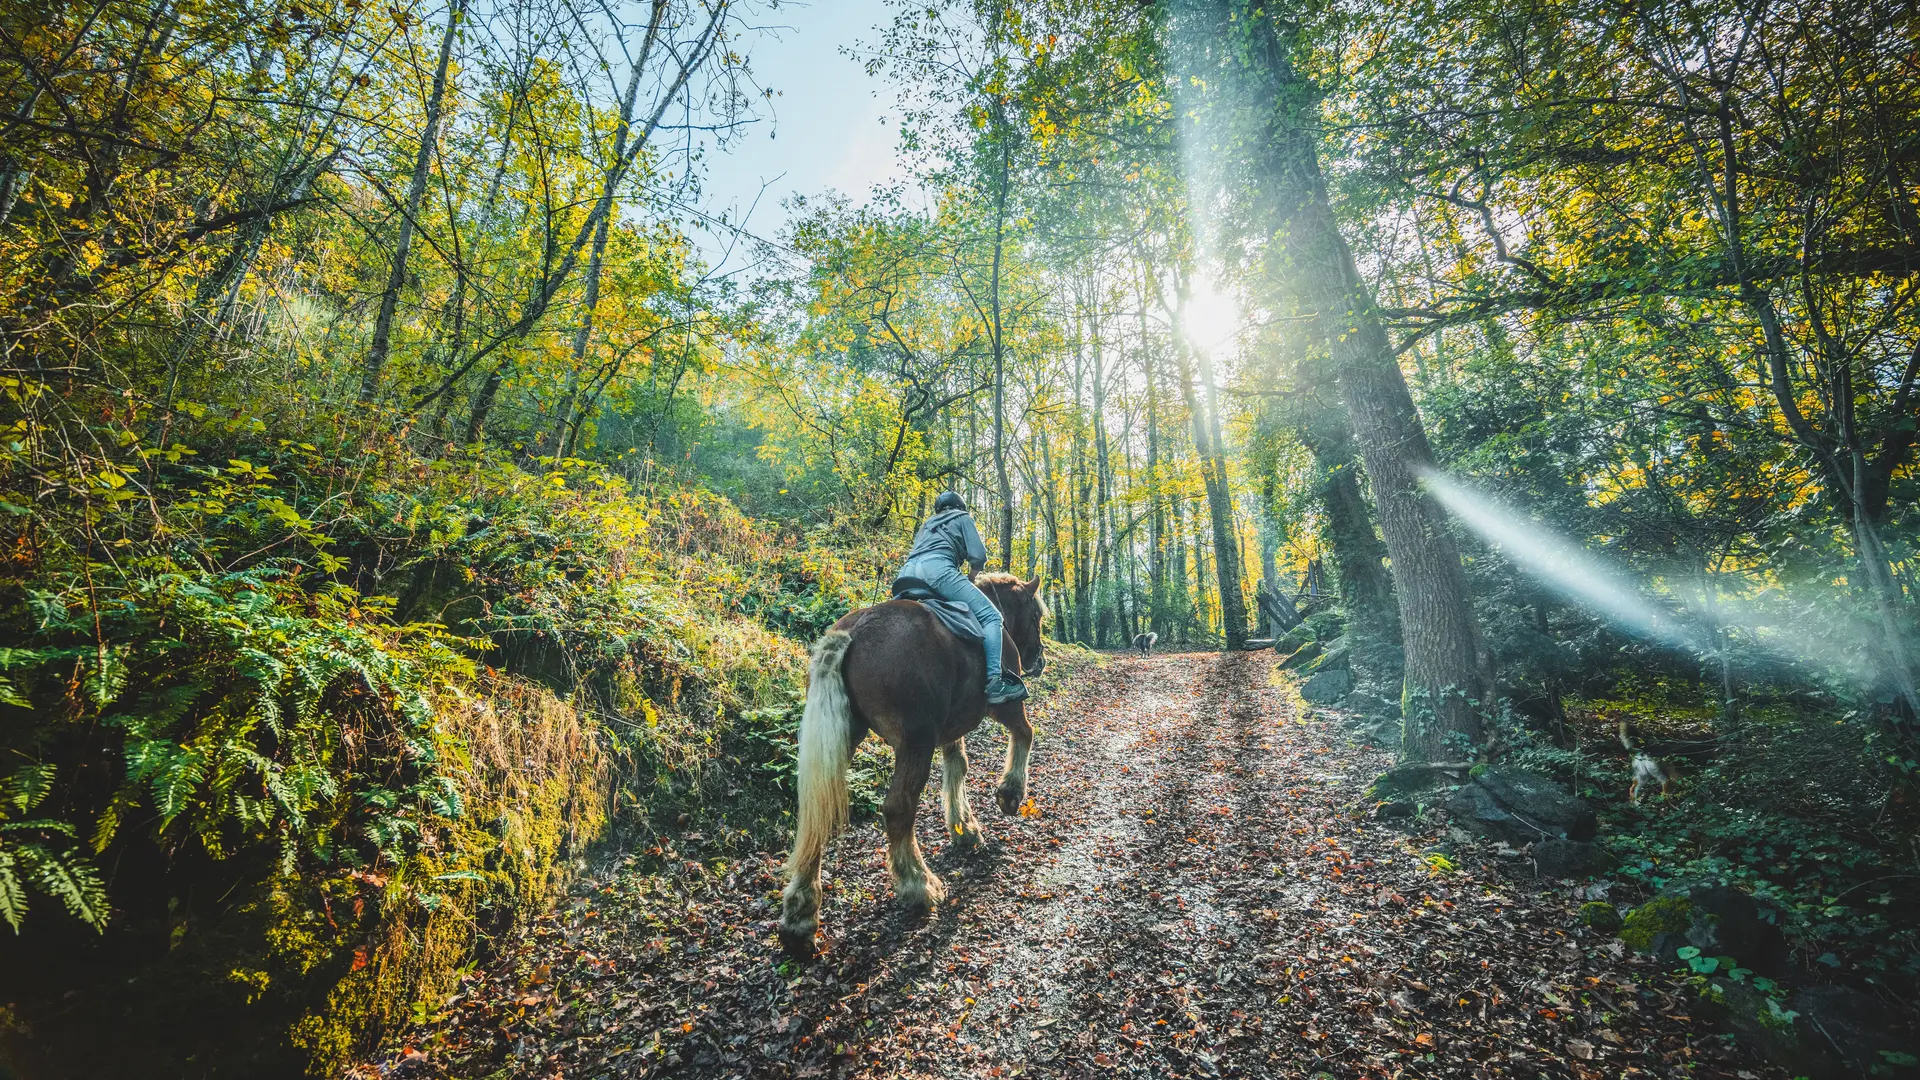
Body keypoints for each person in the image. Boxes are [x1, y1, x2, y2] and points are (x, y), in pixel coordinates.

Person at [896, 492, 1027, 703]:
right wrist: (972, 576)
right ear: (959, 505)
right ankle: (995, 682)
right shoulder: (961, 517)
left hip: (907, 572)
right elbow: (978, 555)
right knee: (991, 617)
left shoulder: (927, 525)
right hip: (938, 570)